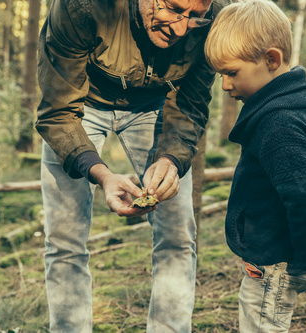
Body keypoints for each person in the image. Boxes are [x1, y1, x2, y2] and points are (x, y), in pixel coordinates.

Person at [35, 0, 226, 331]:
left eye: (194, 17)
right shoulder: (80, 6)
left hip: (159, 106)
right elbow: (57, 111)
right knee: (64, 239)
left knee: (178, 232)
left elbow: (192, 101)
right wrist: (101, 174)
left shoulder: (215, 14)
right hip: (79, 107)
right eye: (174, 9)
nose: (181, 28)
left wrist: (171, 157)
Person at [204, 1, 306, 331]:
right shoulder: (304, 103)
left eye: (231, 73)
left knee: (261, 324)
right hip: (278, 255)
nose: (225, 85)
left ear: (271, 59)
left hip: (278, 260)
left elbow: (305, 199)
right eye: (221, 75)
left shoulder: (279, 125)